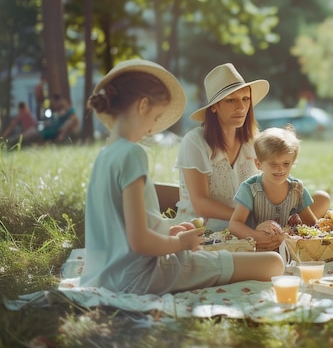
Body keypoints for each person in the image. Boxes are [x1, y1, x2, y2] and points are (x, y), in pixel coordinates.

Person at [80, 58, 284, 294]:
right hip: (142, 275)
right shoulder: (133, 153)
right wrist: (180, 244)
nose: (153, 128)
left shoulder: (105, 155)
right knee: (274, 263)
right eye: (156, 118)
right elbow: (139, 242)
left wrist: (167, 232)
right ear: (143, 105)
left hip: (106, 277)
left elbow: (121, 230)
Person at [174, 63, 330, 231]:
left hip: (258, 220)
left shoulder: (253, 139)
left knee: (322, 199)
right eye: (231, 100)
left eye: (245, 99)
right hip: (209, 226)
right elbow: (200, 204)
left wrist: (279, 210)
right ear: (214, 106)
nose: (241, 107)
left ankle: (286, 233)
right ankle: (285, 234)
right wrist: (250, 217)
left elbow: (270, 181)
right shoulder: (194, 141)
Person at [229, 126, 327, 251]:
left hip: (287, 247)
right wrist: (256, 237)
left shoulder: (296, 189)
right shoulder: (250, 189)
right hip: (258, 246)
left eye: (286, 164)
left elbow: (311, 224)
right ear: (258, 164)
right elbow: (234, 224)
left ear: (292, 162)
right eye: (273, 164)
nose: (280, 169)